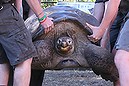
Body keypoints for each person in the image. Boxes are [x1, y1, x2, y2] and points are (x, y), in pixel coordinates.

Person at [0, 0, 54, 86]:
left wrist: (18, 18)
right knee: (25, 57)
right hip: (4, 11)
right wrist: (42, 18)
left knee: (3, 57)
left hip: (8, 12)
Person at [87, 0, 129, 85]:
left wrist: (102, 31)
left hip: (121, 11)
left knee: (121, 58)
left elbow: (114, 2)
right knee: (114, 59)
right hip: (120, 13)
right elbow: (105, 4)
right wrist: (103, 31)